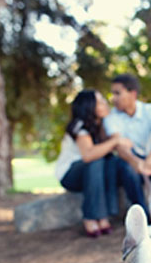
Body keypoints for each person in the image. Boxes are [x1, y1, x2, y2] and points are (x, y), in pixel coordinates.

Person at [55, 90, 132, 237]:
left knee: (111, 161)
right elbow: (88, 155)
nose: (105, 103)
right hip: (71, 174)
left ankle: (106, 214)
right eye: (100, 101)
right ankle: (91, 217)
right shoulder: (79, 126)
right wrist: (115, 141)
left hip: (94, 173)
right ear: (89, 106)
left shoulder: (103, 123)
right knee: (95, 160)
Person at [104, 73, 151, 225]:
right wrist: (135, 162)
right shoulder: (111, 118)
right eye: (113, 94)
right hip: (131, 159)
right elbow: (120, 148)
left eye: (118, 93)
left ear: (133, 94)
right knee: (126, 167)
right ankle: (144, 217)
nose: (113, 98)